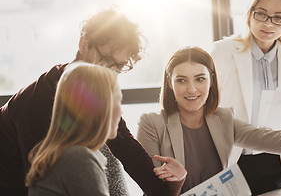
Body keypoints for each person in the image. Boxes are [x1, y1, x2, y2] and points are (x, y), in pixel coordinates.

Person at [0, 9, 186, 196]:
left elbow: (123, 143)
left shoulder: (94, 92)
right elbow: (38, 181)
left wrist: (163, 191)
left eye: (119, 66)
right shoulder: (40, 102)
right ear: (83, 44)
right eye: (105, 59)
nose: (111, 72)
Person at [137, 47, 281, 194]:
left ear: (211, 81)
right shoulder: (151, 124)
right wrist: (177, 181)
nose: (191, 89)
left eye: (200, 79)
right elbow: (154, 190)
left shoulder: (224, 118)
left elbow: (271, 138)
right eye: (181, 80)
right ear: (170, 83)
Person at [26, 62, 186, 196]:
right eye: (117, 102)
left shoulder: (61, 154)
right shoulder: (79, 158)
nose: (121, 112)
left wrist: (174, 185)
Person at [211, 0, 281, 194]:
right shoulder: (223, 52)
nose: (268, 24)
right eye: (261, 14)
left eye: (278, 17)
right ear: (249, 15)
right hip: (233, 161)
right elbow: (207, 108)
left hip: (275, 165)